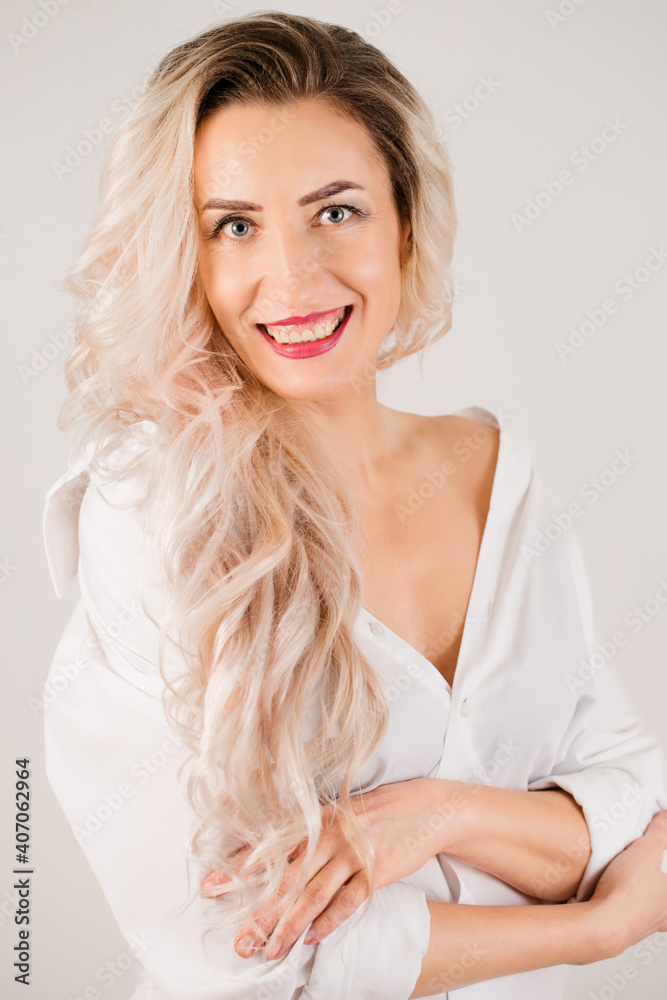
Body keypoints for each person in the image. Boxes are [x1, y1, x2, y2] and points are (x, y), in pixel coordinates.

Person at [42, 11, 667, 999]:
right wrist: (589, 931)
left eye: (335, 211)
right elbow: (241, 945)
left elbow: (634, 795)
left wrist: (439, 813)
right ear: (188, 257)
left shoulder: (501, 472)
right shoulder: (151, 509)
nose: (291, 279)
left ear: (404, 221)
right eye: (234, 225)